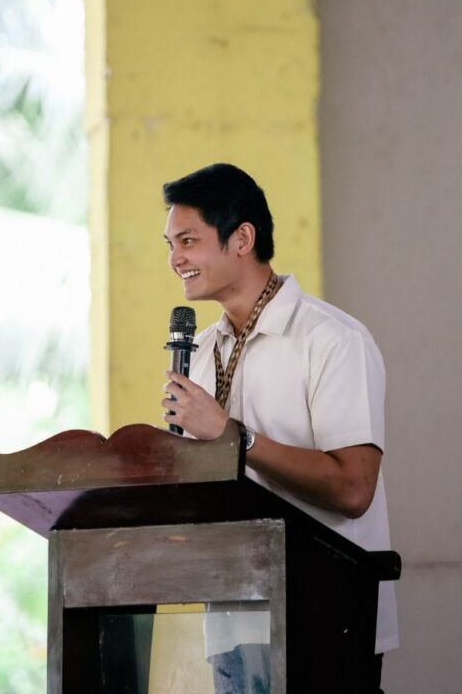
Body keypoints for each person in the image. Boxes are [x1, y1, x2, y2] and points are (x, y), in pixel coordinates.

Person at [160, 163, 398, 694]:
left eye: (189, 240)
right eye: (170, 243)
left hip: (327, 619)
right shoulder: (198, 354)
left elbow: (354, 487)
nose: (175, 258)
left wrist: (234, 437)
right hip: (229, 621)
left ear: (242, 238)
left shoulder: (332, 340)